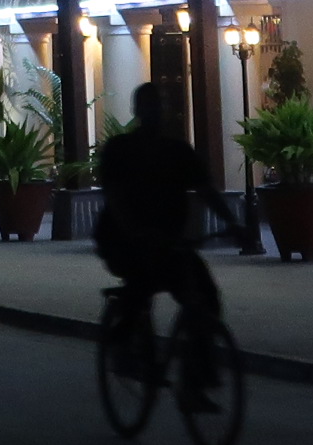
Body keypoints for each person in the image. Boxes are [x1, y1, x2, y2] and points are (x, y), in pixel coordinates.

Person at [95, 83, 222, 404]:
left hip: (169, 244)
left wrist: (234, 224)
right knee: (141, 283)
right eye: (150, 106)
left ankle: (195, 378)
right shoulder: (120, 150)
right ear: (138, 111)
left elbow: (206, 190)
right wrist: (135, 232)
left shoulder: (177, 151)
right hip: (123, 242)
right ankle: (123, 343)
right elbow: (114, 197)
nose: (157, 113)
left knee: (205, 295)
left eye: (160, 106)